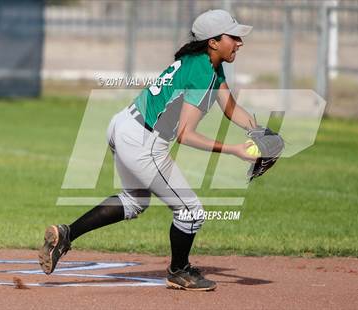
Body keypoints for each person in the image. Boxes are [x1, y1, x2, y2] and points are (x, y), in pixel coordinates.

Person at [39, 9, 258, 291]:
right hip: (143, 142)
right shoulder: (203, 71)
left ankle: (66, 234)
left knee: (134, 201)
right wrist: (234, 149)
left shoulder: (202, 62)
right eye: (233, 37)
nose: (239, 42)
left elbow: (230, 107)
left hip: (124, 123)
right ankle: (179, 271)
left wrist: (259, 131)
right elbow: (185, 135)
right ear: (213, 42)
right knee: (190, 212)